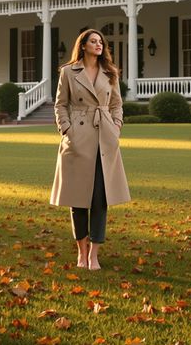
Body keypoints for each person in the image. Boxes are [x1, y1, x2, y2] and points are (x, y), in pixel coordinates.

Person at [49, 28, 130, 270]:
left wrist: (116, 126)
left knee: (99, 197)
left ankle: (94, 254)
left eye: (101, 42)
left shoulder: (110, 73)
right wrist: (67, 130)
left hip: (104, 136)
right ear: (83, 45)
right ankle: (81, 253)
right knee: (77, 199)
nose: (99, 45)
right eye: (93, 41)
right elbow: (60, 104)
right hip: (77, 138)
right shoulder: (68, 72)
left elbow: (116, 104)